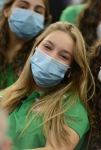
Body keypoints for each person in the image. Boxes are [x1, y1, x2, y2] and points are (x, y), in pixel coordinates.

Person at [0, 22, 94, 150]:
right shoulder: (6, 95)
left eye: (63, 56)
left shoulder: (72, 108)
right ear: (35, 49)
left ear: (71, 69)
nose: (51, 57)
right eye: (47, 47)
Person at [0, 0, 51, 89]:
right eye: (23, 7)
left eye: (38, 11)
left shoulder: (41, 63)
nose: (30, 14)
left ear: (44, 21)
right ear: (7, 11)